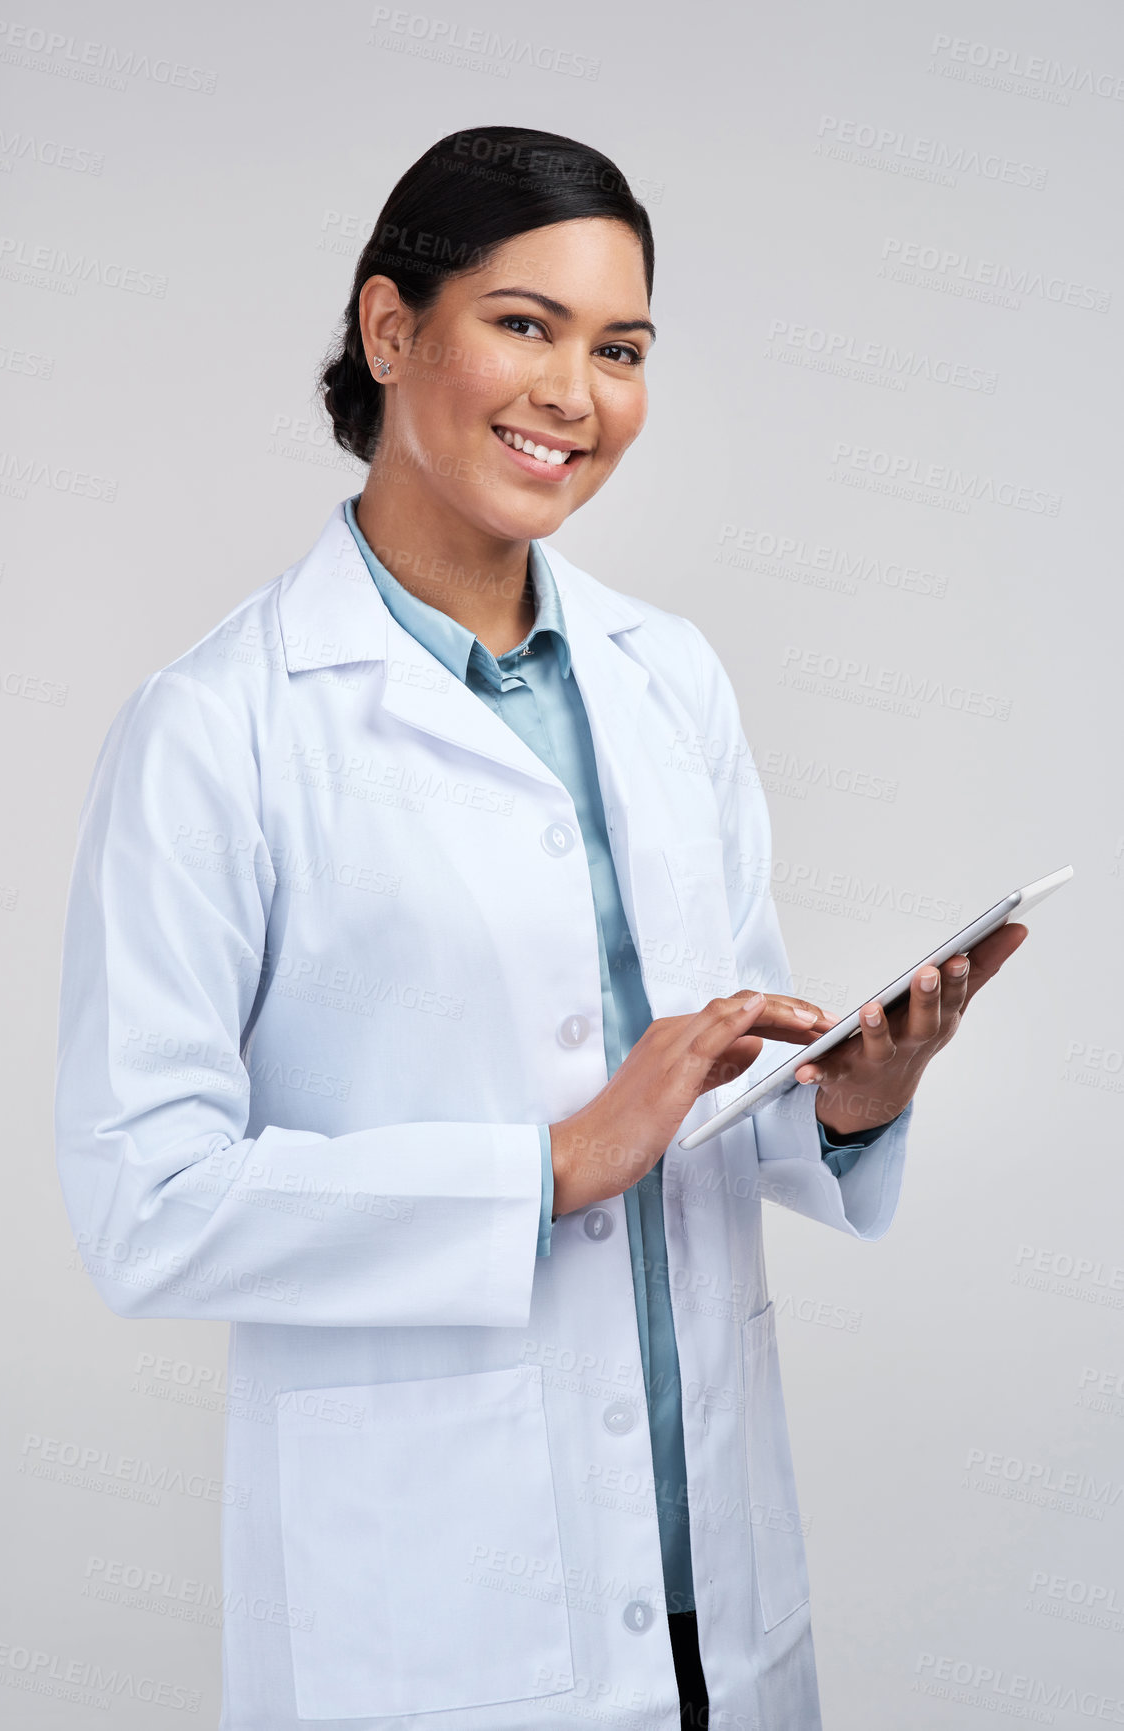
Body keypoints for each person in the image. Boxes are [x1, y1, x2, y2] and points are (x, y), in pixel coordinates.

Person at [55, 125, 1025, 1731]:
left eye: (622, 348)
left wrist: (850, 1100)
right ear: (389, 332)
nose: (577, 391)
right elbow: (144, 1204)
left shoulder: (669, 680)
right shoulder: (216, 729)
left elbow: (713, 1092)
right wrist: (550, 1162)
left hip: (710, 1570)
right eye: (526, 324)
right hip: (433, 1609)